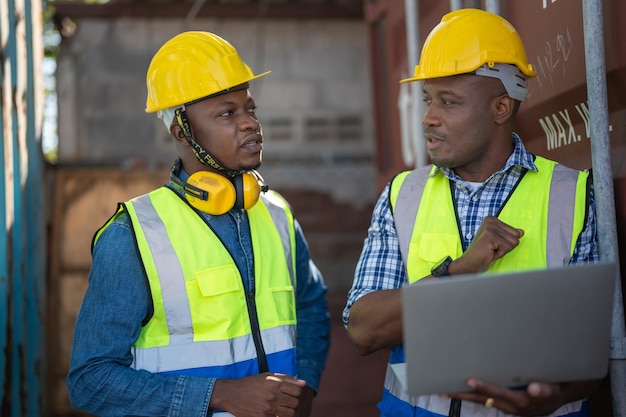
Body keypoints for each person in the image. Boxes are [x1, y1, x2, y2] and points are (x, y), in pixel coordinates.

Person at [343, 8, 601, 417]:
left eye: (448, 101)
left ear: (500, 108)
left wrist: (556, 396)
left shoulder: (574, 195)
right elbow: (362, 330)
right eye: (428, 99)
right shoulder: (402, 195)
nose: (428, 117)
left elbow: (602, 344)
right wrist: (458, 270)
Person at [67, 31, 331, 417]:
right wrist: (218, 395)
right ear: (181, 132)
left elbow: (310, 306)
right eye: (227, 113)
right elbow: (90, 381)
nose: (250, 125)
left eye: (250, 109)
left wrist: (304, 385)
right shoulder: (135, 235)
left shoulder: (277, 213)